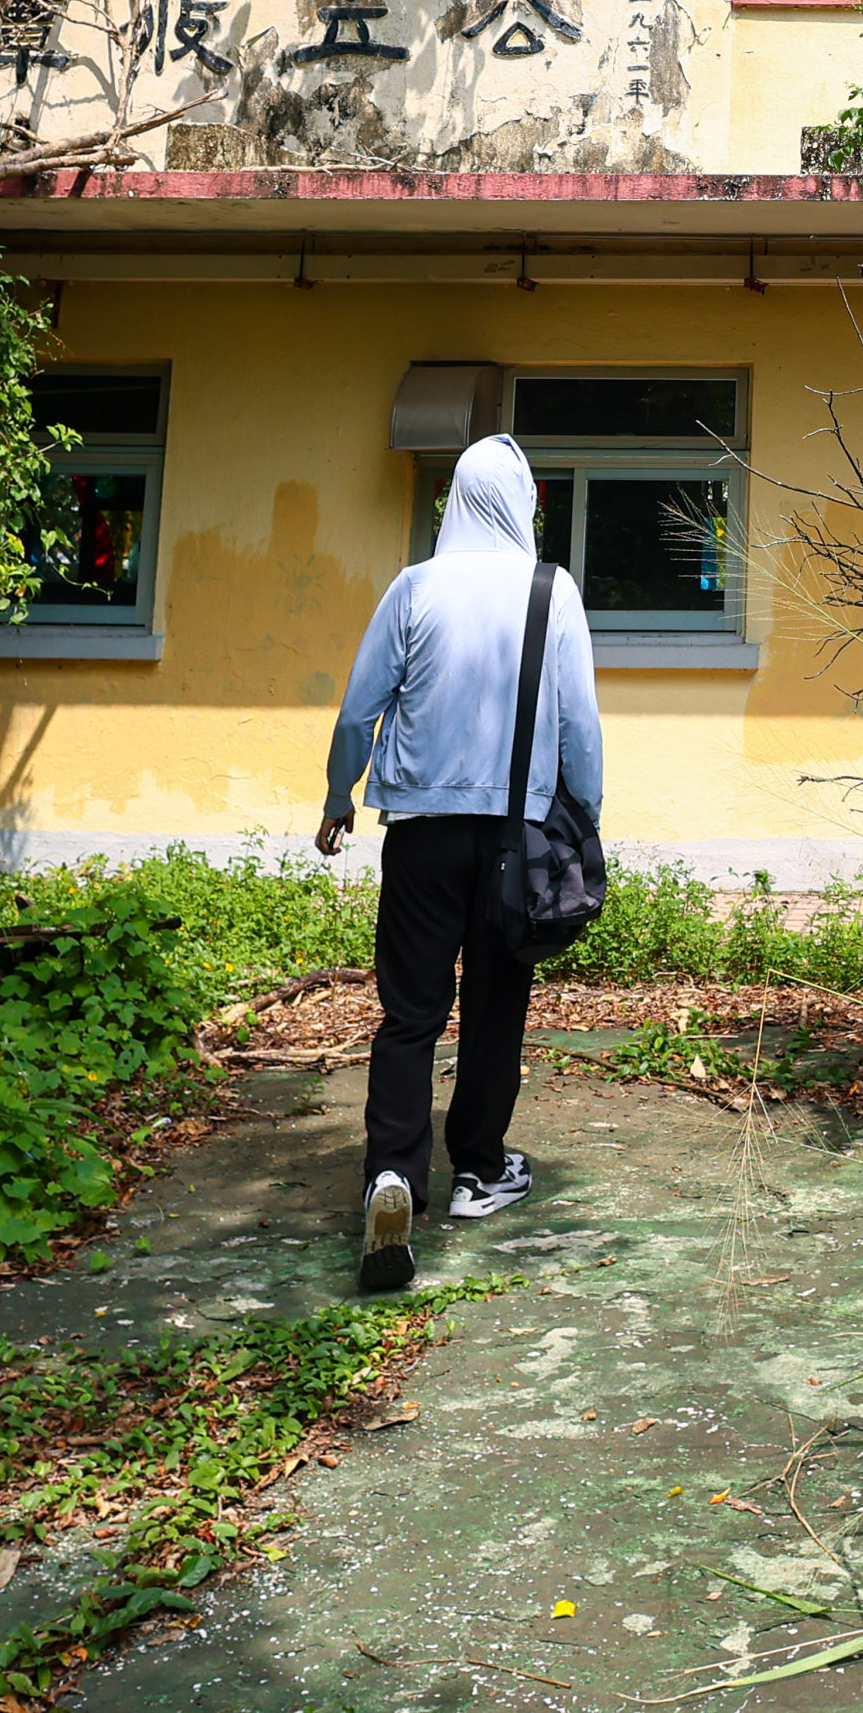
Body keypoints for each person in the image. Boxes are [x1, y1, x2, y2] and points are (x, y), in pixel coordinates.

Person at [316, 430, 601, 1291]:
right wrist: (585, 824)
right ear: (518, 505)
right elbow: (579, 726)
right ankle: (478, 1169)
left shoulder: (413, 588)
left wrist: (338, 799)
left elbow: (356, 712)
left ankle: (393, 1174)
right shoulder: (553, 593)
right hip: (517, 840)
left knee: (408, 1012)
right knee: (494, 1003)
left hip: (420, 835)